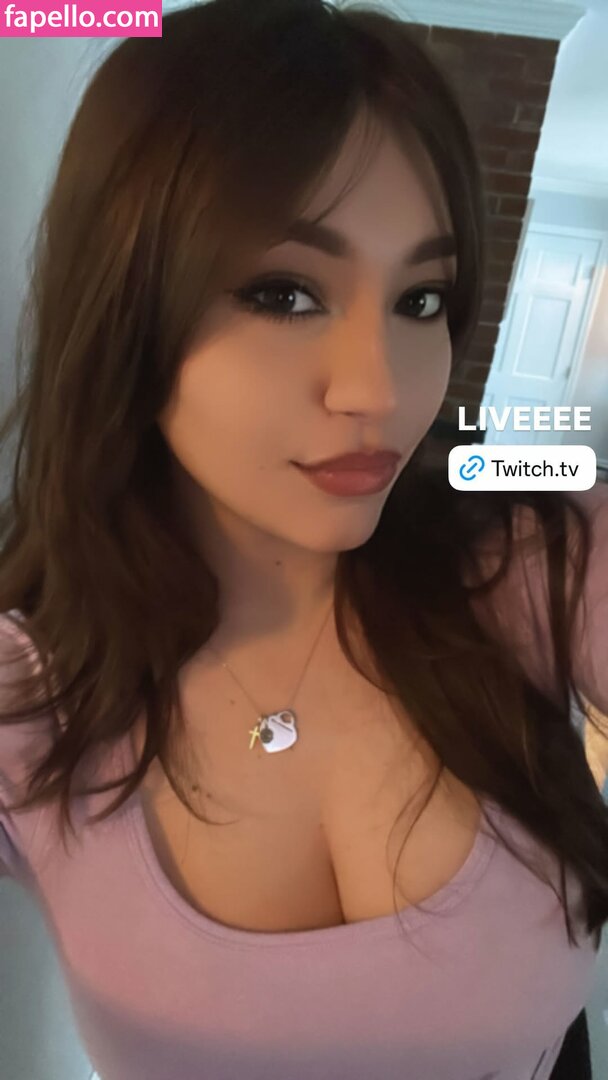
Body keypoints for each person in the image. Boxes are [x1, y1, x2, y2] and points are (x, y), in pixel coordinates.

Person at [0, 2, 607, 1078]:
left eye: (421, 299)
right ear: (129, 305)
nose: (379, 389)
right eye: (284, 293)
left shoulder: (537, 565)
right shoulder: (28, 697)